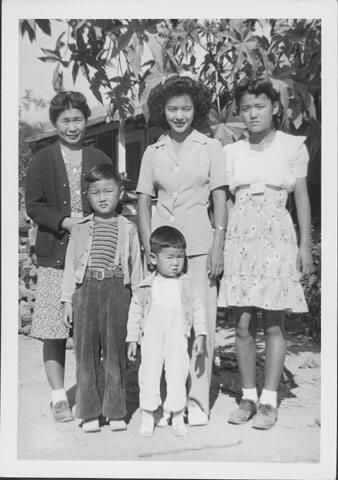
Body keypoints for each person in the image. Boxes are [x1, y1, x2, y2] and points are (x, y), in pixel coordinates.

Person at [218, 77, 314, 430]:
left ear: (275, 108)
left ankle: (269, 401)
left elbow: (301, 198)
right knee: (242, 324)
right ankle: (247, 396)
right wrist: (222, 244)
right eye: (245, 108)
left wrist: (305, 246)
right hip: (241, 236)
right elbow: (225, 202)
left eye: (260, 106)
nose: (252, 114)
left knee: (273, 322)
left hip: (276, 236)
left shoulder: (292, 147)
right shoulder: (230, 152)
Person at [137, 76, 227, 426]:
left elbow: (220, 198)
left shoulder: (209, 147)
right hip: (163, 249)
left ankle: (197, 400)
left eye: (186, 108)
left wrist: (218, 244)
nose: (179, 115)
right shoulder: (151, 151)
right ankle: (162, 401)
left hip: (201, 245)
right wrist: (148, 245)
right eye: (172, 109)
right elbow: (144, 200)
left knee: (200, 324)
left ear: (196, 110)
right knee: (162, 324)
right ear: (163, 111)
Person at [25, 91, 111, 423]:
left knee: (94, 327)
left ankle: (95, 390)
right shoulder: (41, 160)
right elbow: (34, 205)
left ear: (85, 120)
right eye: (65, 121)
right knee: (53, 328)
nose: (72, 127)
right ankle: (59, 397)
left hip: (94, 251)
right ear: (55, 123)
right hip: (55, 253)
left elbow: (110, 193)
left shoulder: (98, 155)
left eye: (77, 120)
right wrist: (65, 222)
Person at [62, 164, 143, 433]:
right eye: (95, 192)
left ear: (120, 193)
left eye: (109, 190)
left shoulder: (128, 228)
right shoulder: (80, 228)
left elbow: (138, 268)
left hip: (118, 289)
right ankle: (88, 412)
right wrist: (66, 301)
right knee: (85, 352)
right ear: (87, 195)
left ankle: (115, 410)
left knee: (115, 352)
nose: (102, 196)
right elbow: (69, 268)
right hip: (85, 290)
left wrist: (140, 303)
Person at [127, 226, 207, 437]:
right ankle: (148, 413)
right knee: (149, 372)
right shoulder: (147, 287)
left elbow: (197, 309)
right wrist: (132, 338)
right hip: (152, 338)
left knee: (178, 372)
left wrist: (200, 334)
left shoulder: (186, 286)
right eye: (169, 257)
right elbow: (135, 311)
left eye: (180, 257)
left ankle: (177, 414)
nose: (175, 263)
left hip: (177, 338)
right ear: (153, 258)